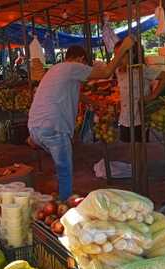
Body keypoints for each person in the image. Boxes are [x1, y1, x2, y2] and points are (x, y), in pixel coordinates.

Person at [27, 36, 134, 200]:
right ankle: (65, 207)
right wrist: (123, 49)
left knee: (61, 161)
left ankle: (61, 200)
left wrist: (95, 103)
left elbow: (76, 93)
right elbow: (106, 72)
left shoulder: (56, 69)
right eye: (84, 64)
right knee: (64, 170)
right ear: (80, 59)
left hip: (35, 126)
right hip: (54, 126)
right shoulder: (73, 67)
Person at [114, 41, 165, 143]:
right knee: (128, 144)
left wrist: (153, 95)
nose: (118, 59)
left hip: (139, 115)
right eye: (116, 55)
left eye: (121, 55)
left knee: (139, 145)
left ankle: (140, 160)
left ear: (132, 54)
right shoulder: (118, 71)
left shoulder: (141, 69)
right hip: (124, 117)